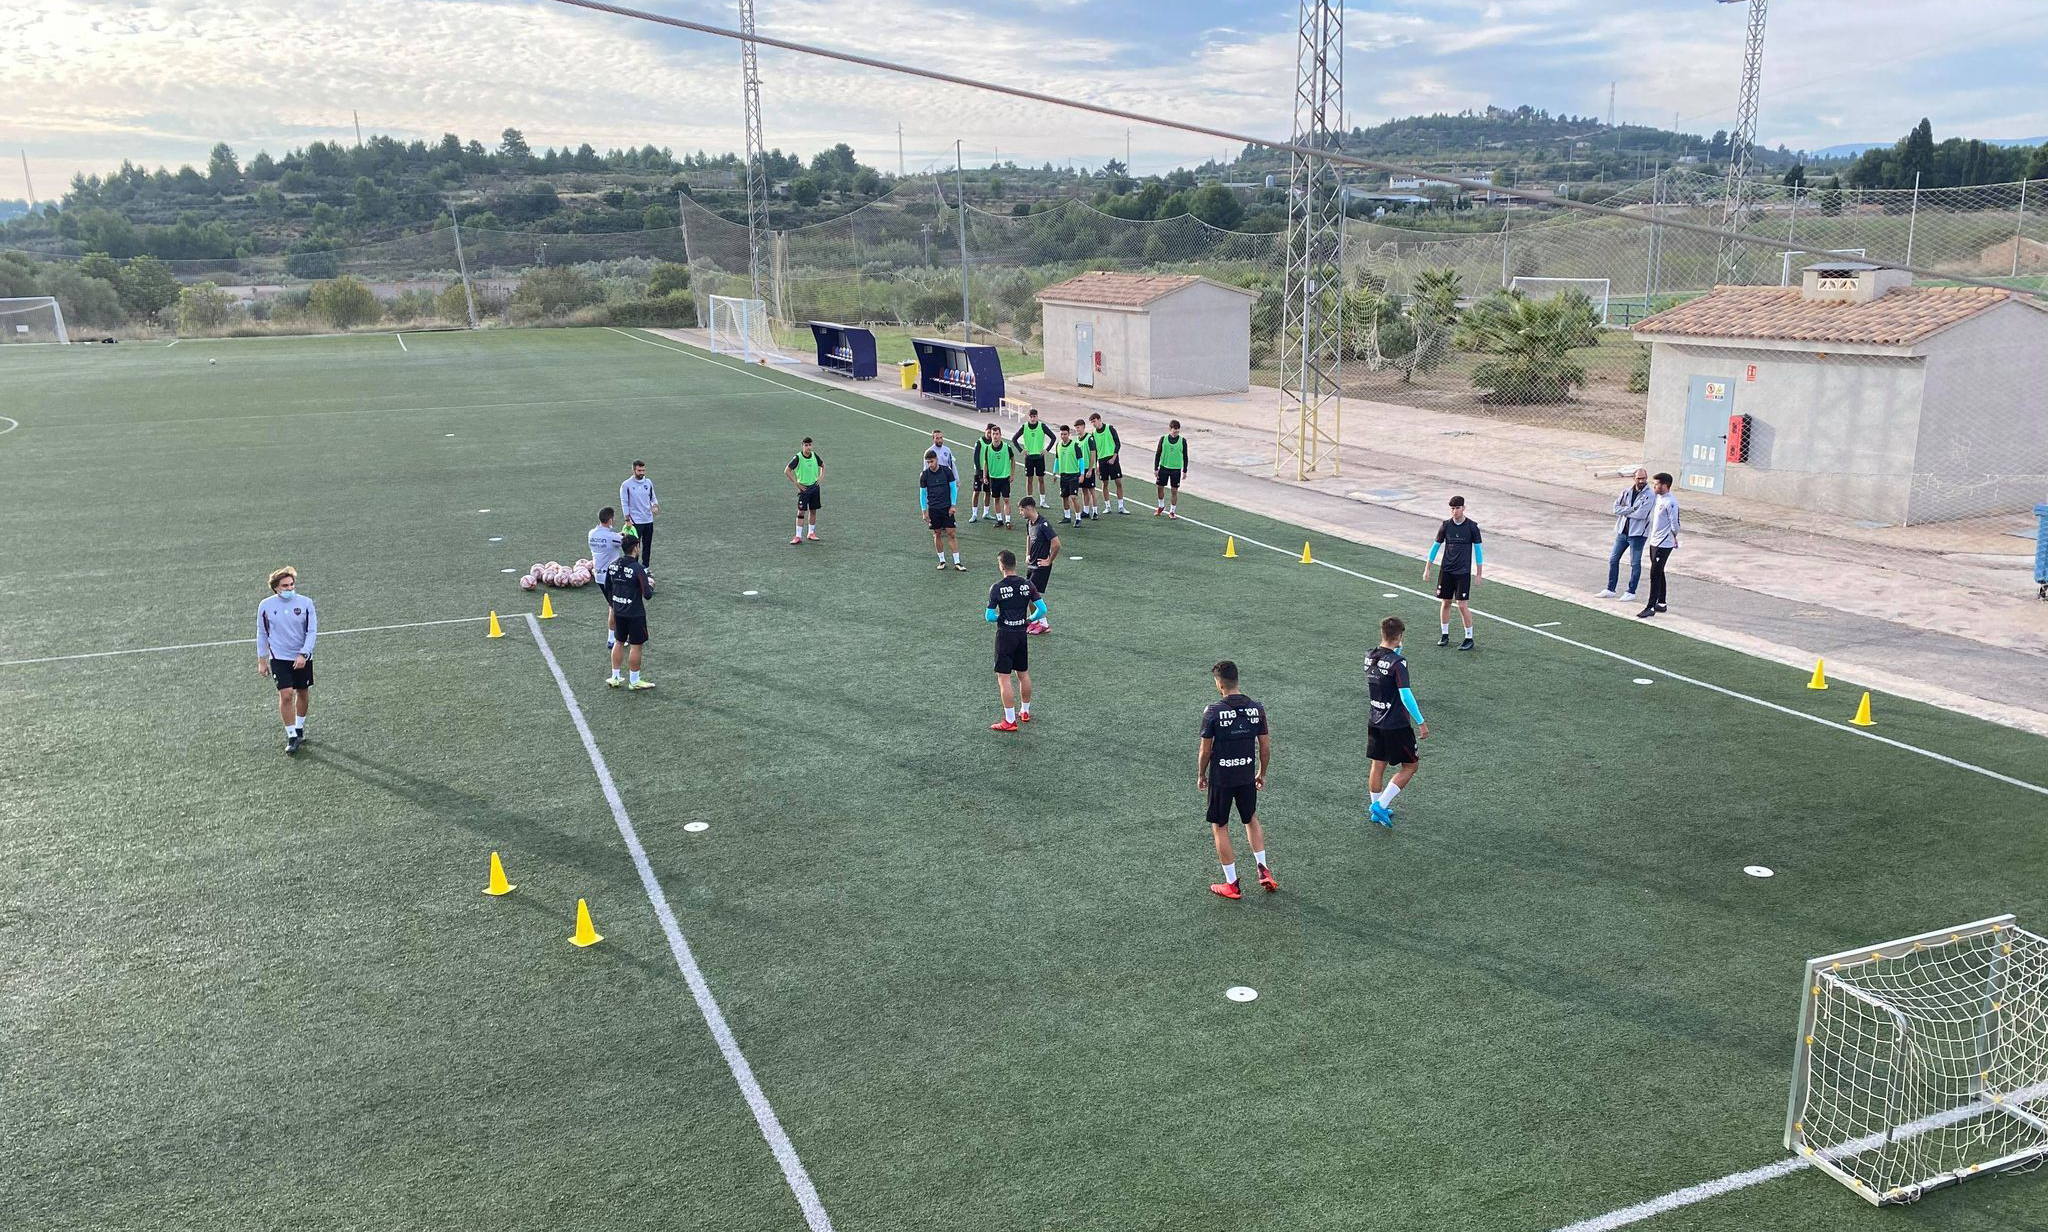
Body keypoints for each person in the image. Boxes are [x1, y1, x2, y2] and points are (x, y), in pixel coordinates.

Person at [1199, 660, 1277, 899]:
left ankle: (1231, 883)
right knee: (1250, 818)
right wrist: (1262, 773)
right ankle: (1263, 868)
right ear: (1237, 680)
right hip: (1246, 776)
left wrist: (1201, 774)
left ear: (1220, 684)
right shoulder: (1257, 708)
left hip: (1222, 778)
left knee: (1220, 826)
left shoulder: (1213, 711)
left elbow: (1205, 750)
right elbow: (1265, 747)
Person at [1364, 617, 1427, 828]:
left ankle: (1375, 810)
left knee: (1377, 764)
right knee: (1410, 766)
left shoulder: (1369, 656)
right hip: (1396, 724)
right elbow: (1405, 695)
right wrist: (1421, 722)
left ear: (1382, 633)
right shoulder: (1398, 663)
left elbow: (1384, 665)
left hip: (1375, 719)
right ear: (1399, 636)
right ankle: (1380, 805)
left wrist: (1396, 649)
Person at [256, 566, 317, 755]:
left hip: (302, 657)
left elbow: (311, 631)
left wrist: (304, 654)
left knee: (302, 693)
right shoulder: (265, 606)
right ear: (275, 587)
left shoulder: (306, 603)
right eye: (285, 586)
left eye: (291, 585)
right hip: (279, 657)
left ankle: (299, 727)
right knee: (286, 694)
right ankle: (292, 736)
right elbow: (262, 633)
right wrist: (262, 660)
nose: (289, 588)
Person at [985, 549, 1045, 732]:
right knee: (1023, 674)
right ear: (1015, 564)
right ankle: (1025, 711)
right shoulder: (1027, 584)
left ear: (1001, 566)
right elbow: (1042, 609)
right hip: (1021, 634)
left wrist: (1002, 619)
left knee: (1004, 678)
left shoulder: (997, 588)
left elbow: (989, 616)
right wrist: (1029, 620)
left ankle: (1010, 721)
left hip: (1005, 635)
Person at [1422, 494, 1483, 650]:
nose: (1455, 511)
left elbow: (1478, 551)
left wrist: (1479, 573)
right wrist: (1427, 568)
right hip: (1446, 571)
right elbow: (1435, 547)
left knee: (1462, 605)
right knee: (1446, 602)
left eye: (1457, 508)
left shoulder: (1472, 527)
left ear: (1464, 508)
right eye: (1452, 508)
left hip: (1463, 572)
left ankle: (1469, 637)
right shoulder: (1446, 526)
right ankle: (1444, 635)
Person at [602, 533, 654, 689]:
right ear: (636, 548)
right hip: (635, 613)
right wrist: (650, 585)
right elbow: (647, 595)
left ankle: (615, 677)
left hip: (618, 611)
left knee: (618, 641)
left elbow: (608, 588)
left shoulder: (613, 566)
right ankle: (634, 681)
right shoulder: (638, 569)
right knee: (636, 645)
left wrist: (615, 604)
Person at [1599, 468, 1653, 601]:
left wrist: (1625, 511)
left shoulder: (1650, 495)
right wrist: (1631, 509)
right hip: (1622, 532)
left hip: (1638, 535)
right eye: (1639, 478)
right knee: (1613, 559)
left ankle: (1631, 591)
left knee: (1635, 563)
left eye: (1643, 478)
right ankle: (1610, 589)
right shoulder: (1626, 492)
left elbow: (1641, 514)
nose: (1641, 481)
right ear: (1634, 478)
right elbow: (1616, 508)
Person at [1639, 472, 1680, 619]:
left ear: (1664, 485)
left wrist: (1673, 537)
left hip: (1663, 543)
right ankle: (1661, 602)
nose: (1654, 486)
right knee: (1659, 571)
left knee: (1654, 573)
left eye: (1657, 484)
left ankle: (1650, 606)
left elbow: (1675, 524)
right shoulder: (1659, 499)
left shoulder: (1671, 502)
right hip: (1654, 541)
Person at [920, 449, 965, 571]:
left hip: (946, 508)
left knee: (951, 533)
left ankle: (957, 562)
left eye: (932, 461)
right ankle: (942, 561)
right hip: (934, 509)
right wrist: (924, 511)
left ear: (937, 459)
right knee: (937, 534)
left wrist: (953, 505)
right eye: (928, 462)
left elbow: (953, 488)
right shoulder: (924, 475)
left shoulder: (947, 471)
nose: (930, 464)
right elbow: (923, 494)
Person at [589, 507, 626, 650]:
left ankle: (615, 636)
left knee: (613, 605)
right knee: (615, 607)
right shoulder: (612, 537)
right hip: (611, 577)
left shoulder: (592, 533)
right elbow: (628, 542)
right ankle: (613, 639)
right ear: (610, 519)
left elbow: (609, 538)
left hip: (598, 575)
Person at [1020, 496, 1059, 634]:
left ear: (1028, 508)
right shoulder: (1029, 523)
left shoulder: (1044, 524)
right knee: (1028, 594)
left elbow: (1056, 544)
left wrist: (1049, 561)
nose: (1020, 513)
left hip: (1041, 566)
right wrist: (1027, 554)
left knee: (1031, 594)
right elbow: (1029, 538)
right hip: (1032, 565)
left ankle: (1044, 624)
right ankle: (1036, 621)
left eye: (1021, 510)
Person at [618, 460, 660, 580]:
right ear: (633, 470)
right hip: (635, 521)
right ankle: (633, 569)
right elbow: (624, 503)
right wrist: (627, 519)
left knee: (647, 545)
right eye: (639, 470)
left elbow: (653, 498)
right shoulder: (626, 485)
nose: (642, 473)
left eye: (643, 470)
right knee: (634, 546)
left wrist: (655, 506)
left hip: (648, 520)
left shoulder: (648, 482)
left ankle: (645, 568)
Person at [1011, 407, 1054, 506]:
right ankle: (1029, 501)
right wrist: (1021, 450)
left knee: (1041, 479)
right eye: (1031, 417)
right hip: (1029, 458)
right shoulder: (1024, 427)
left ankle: (1043, 501)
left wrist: (1047, 450)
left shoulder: (1042, 426)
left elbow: (1053, 437)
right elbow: (1014, 439)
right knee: (1029, 479)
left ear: (1037, 417)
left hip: (1039, 457)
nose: (1033, 418)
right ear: (1028, 417)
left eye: (1034, 416)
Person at [976, 423, 1017, 527]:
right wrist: (984, 476)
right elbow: (985, 463)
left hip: (1004, 478)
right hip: (993, 478)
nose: (995, 436)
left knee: (1006, 499)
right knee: (996, 499)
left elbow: (1013, 459)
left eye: (997, 434)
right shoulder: (988, 448)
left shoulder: (1007, 447)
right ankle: (999, 520)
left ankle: (1008, 520)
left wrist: (1012, 474)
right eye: (993, 434)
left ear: (1000, 435)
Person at [786, 437, 824, 544]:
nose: (808, 447)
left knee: (813, 510)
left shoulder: (814, 455)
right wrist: (796, 483)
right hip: (804, 489)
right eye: (806, 445)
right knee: (801, 511)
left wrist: (821, 476)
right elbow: (787, 470)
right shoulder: (798, 457)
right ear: (802, 445)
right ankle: (798, 536)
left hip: (814, 487)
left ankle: (811, 533)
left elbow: (823, 465)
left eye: (810, 445)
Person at [1088, 413, 1128, 514]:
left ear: (1099, 419)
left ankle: (1121, 506)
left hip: (1112, 458)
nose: (1093, 424)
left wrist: (1114, 457)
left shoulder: (1110, 428)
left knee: (1118, 482)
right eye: (1092, 422)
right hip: (1102, 461)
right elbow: (1094, 451)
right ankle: (1108, 506)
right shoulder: (1093, 434)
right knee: (1104, 483)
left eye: (1094, 421)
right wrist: (1096, 465)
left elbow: (1118, 443)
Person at [1153, 420, 1190, 518]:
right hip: (1164, 468)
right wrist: (1156, 468)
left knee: (1174, 490)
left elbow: (1185, 456)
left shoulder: (1182, 441)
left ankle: (1172, 511)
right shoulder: (1163, 439)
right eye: (1174, 431)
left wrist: (1185, 470)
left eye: (1178, 431)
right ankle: (1161, 506)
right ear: (1170, 429)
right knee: (1160, 488)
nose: (1176, 433)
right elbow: (1158, 454)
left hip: (1176, 469)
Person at [1054, 424, 1088, 525]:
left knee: (1073, 497)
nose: (1063, 436)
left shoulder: (1075, 445)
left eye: (1065, 434)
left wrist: (1082, 474)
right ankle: (1067, 516)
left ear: (1069, 434)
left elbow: (1081, 460)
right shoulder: (1058, 445)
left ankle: (1078, 518)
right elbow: (1057, 459)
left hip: (1073, 475)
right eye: (1061, 434)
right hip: (1063, 475)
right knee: (1064, 497)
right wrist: (1054, 472)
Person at [1073, 419, 1099, 519]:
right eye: (1076, 428)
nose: (1077, 429)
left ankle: (1095, 512)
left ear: (1083, 427)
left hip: (1088, 468)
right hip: (1081, 469)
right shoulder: (1076, 440)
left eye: (1078, 427)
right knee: (1084, 490)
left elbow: (1093, 454)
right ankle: (1086, 511)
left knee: (1092, 490)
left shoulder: (1089, 438)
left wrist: (1091, 469)